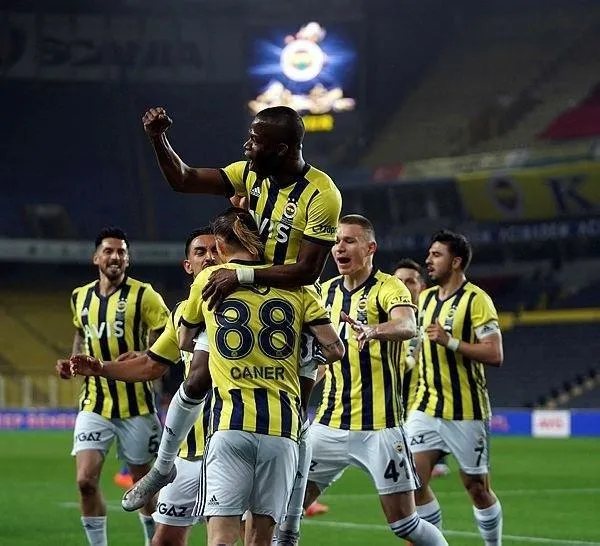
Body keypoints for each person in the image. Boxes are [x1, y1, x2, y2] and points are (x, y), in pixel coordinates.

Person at [131, 105, 341, 523]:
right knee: (197, 375)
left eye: (256, 140)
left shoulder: (322, 194)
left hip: (292, 305)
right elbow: (185, 179)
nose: (247, 146)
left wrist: (242, 273)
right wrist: (158, 138)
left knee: (294, 411)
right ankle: (164, 465)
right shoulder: (249, 174)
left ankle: (290, 521)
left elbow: (308, 271)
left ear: (281, 149)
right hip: (239, 297)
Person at [177, 208, 345, 546]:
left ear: (220, 247)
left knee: (221, 538)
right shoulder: (299, 289)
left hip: (230, 424)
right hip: (282, 431)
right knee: (260, 540)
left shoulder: (209, 280)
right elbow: (334, 349)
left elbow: (184, 340)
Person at [300, 215, 448, 546]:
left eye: (349, 241)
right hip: (328, 426)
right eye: (336, 241)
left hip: (380, 428)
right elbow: (320, 359)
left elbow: (407, 325)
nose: (339, 247)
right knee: (286, 511)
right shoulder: (323, 292)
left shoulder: (389, 287)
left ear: (370, 248)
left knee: (405, 525)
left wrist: (373, 330)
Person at [70, 227, 218, 546]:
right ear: (188, 265)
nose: (209, 258)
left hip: (230, 438)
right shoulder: (183, 313)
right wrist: (99, 367)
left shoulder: (246, 305)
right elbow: (151, 364)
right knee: (164, 539)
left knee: (227, 533)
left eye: (215, 251)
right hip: (189, 448)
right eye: (200, 252)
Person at [55, 226, 169, 546]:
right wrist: (72, 362)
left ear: (128, 260)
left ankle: (153, 541)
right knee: (85, 481)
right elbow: (81, 334)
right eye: (108, 251)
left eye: (121, 252)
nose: (115, 256)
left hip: (137, 405)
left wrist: (146, 354)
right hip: (94, 403)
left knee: (142, 485)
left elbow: (171, 332)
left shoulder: (144, 295)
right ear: (96, 258)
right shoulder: (79, 296)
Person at [406, 229, 504, 545]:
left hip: (467, 410)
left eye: (436, 255)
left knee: (477, 488)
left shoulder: (477, 300)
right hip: (425, 406)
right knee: (412, 483)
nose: (428, 260)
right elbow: (417, 345)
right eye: (429, 254)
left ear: (456, 262)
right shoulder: (424, 300)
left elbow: (495, 354)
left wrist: (450, 341)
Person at [393, 258, 450, 479]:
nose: (404, 287)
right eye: (399, 281)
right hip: (389, 411)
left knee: (412, 481)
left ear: (422, 287)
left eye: (410, 281)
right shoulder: (382, 321)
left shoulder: (434, 320)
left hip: (424, 409)